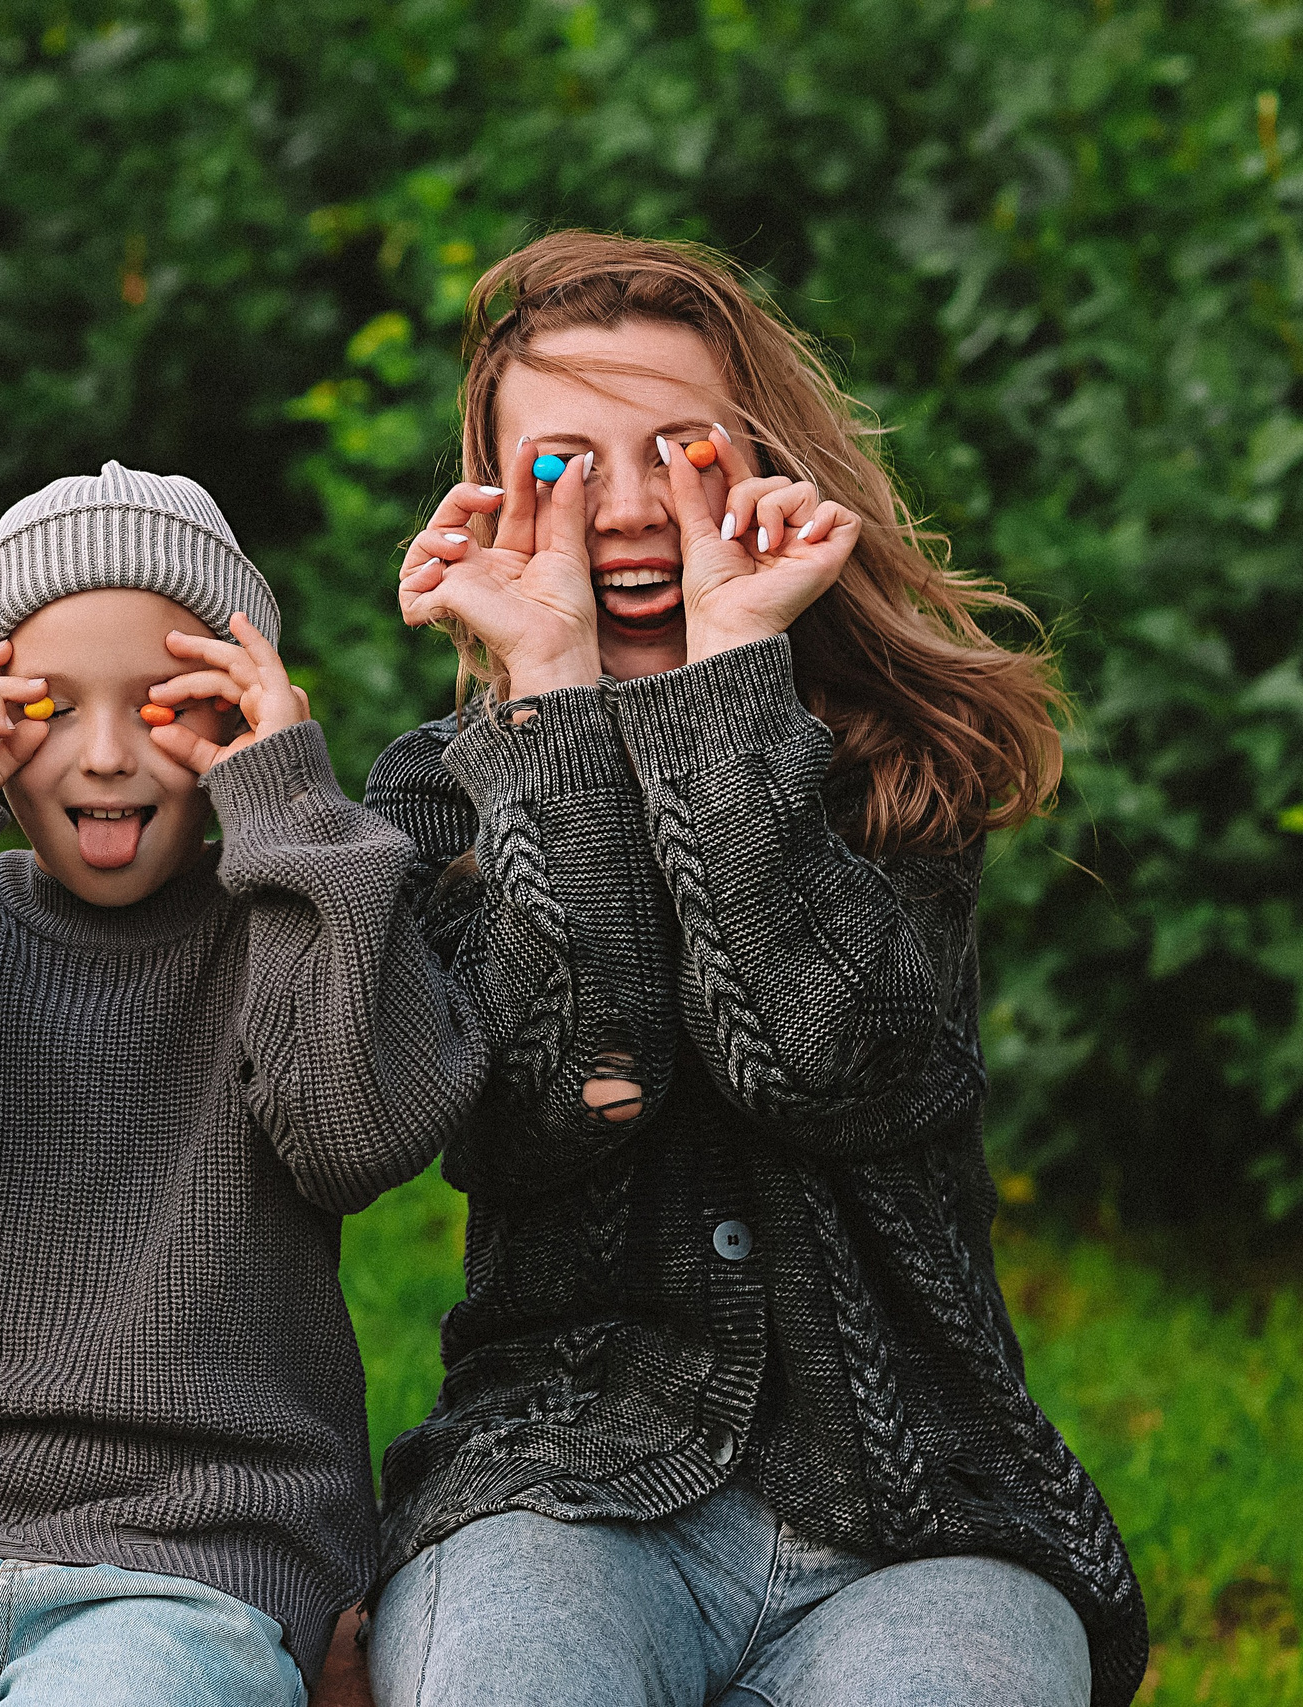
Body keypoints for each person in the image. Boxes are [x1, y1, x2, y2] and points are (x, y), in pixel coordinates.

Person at [358, 230, 1146, 1707]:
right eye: (566, 467)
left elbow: (830, 1063)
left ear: (765, 460)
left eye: (681, 447)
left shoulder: (902, 775)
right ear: (495, 504)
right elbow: (556, 1105)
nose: (637, 506)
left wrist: (727, 681)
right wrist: (553, 707)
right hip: (568, 1484)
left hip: (926, 1517)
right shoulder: (447, 796)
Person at [0, 462, 485, 1707]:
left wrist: (287, 805)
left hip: (200, 1553)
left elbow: (357, 1136)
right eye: (52, 705)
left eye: (160, 705)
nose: (104, 756)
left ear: (239, 706)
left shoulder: (290, 914)